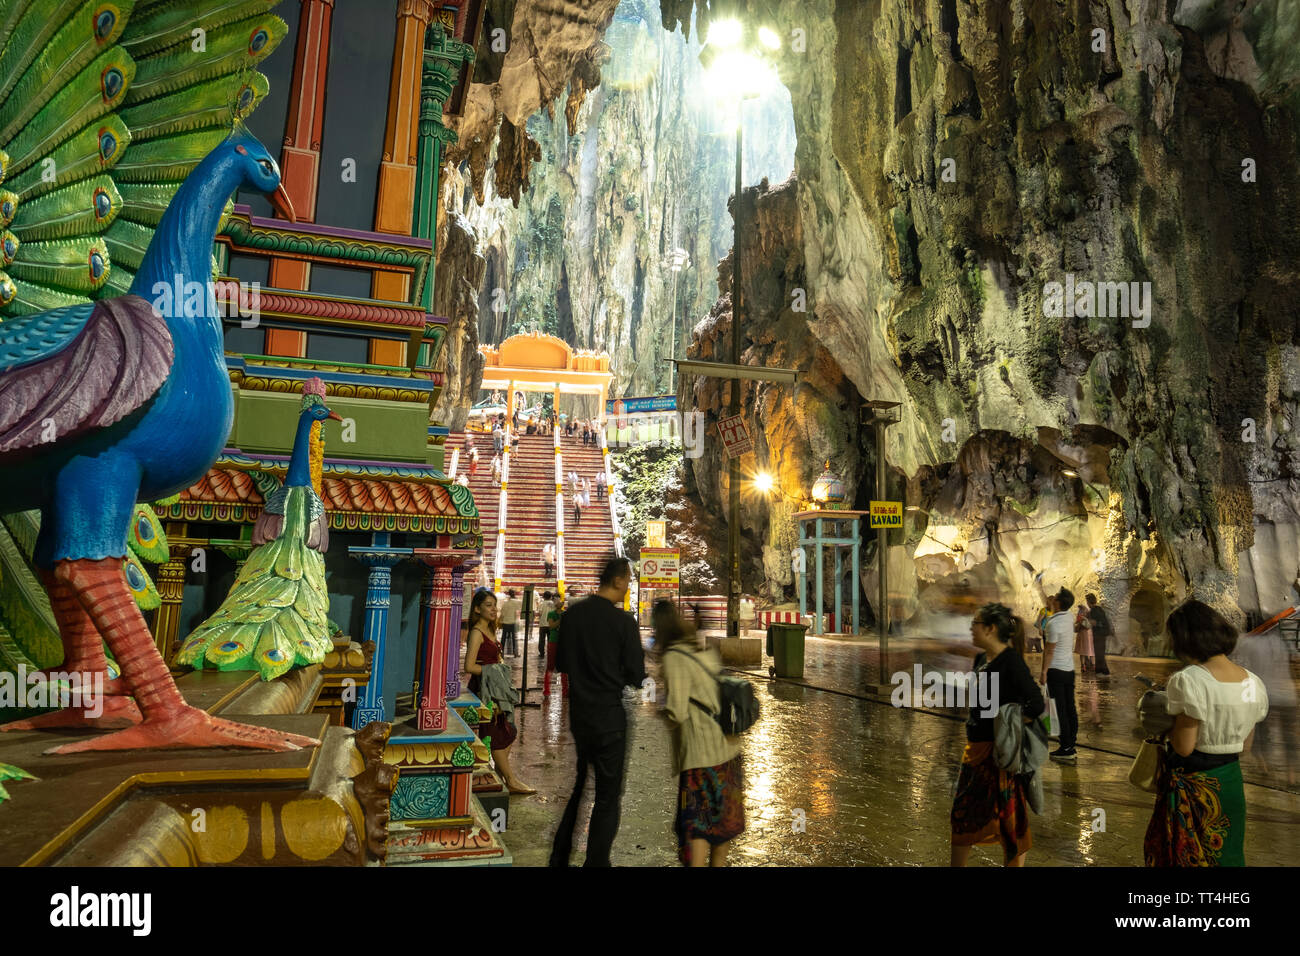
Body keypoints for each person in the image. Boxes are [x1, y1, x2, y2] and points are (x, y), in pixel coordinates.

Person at [1144, 600, 1269, 866]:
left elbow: (1184, 747)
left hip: (1195, 786)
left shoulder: (1188, 679)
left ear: (1185, 640)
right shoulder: (1253, 682)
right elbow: (1245, 746)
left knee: (1186, 855)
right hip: (1230, 782)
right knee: (1227, 853)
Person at [550, 558, 645, 866]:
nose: (629, 584)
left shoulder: (574, 615)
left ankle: (559, 857)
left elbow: (561, 664)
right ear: (618, 580)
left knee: (579, 787)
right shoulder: (623, 623)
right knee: (607, 796)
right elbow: (636, 675)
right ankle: (596, 862)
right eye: (628, 578)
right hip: (610, 719)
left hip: (580, 717)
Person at [951, 603, 1045, 867]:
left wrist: (1008, 724)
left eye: (976, 623)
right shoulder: (982, 660)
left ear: (990, 629)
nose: (972, 628)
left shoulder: (1011, 661)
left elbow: (1036, 704)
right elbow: (982, 705)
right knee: (963, 816)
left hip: (1000, 757)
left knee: (1010, 822)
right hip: (976, 752)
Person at [654, 600, 744, 867]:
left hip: (700, 755)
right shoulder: (703, 651)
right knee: (722, 822)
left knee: (698, 825)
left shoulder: (673, 659)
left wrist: (659, 710)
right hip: (728, 750)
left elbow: (678, 711)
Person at [464, 589, 534, 794]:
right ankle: (511, 780)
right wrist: (494, 671)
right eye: (488, 605)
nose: (494, 609)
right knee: (497, 733)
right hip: (485, 690)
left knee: (508, 730)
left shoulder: (490, 630)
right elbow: (469, 666)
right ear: (477, 609)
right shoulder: (477, 633)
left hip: (496, 688)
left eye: (494, 605)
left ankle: (504, 775)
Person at [1036, 578, 1078, 762]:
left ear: (1059, 603)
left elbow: (1049, 650)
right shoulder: (1069, 617)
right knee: (1070, 707)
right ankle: (1071, 742)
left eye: (1055, 599)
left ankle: (1066, 747)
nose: (1051, 600)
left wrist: (1044, 672)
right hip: (1069, 670)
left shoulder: (1054, 623)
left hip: (1056, 670)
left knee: (1059, 709)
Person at [543, 594, 567, 698]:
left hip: (563, 642)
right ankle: (547, 689)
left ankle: (565, 690)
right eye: (556, 601)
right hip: (553, 641)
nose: (559, 603)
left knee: (565, 667)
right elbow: (551, 626)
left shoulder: (566, 614)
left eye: (560, 601)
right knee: (550, 666)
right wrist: (561, 619)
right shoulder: (551, 614)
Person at [1085, 593, 1111, 674]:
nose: (1087, 603)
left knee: (1099, 653)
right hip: (1101, 634)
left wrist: (1092, 622)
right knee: (1099, 653)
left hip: (1099, 634)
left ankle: (1103, 671)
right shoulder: (1098, 609)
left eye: (1087, 601)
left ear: (1089, 602)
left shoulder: (1094, 610)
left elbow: (1098, 622)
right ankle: (1101, 670)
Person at [499, 588, 521, 656]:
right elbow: (519, 611)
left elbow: (502, 614)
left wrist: (500, 621)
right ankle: (515, 653)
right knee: (514, 638)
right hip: (513, 622)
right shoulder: (517, 602)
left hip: (505, 622)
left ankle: (501, 652)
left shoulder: (505, 603)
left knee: (503, 638)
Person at [1075, 600, 1095, 673]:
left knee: (1083, 651)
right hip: (1090, 633)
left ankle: (1083, 666)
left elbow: (1077, 623)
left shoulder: (1081, 615)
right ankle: (1093, 666)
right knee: (1091, 651)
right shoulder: (1089, 613)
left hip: (1083, 633)